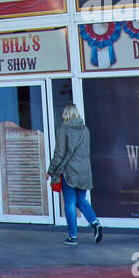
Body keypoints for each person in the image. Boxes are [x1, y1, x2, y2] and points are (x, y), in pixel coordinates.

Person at [47, 103, 103, 245]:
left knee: (70, 203)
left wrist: (51, 170)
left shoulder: (62, 130)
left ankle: (73, 236)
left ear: (65, 114)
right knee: (81, 200)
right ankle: (95, 223)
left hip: (69, 171)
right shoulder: (85, 130)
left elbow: (59, 154)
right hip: (84, 170)